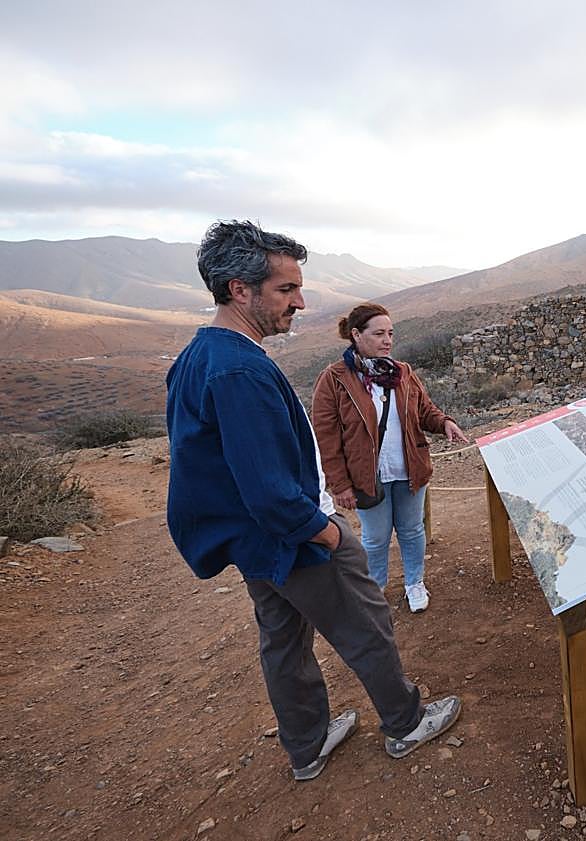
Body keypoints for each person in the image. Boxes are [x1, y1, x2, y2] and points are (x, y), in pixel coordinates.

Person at [165, 220, 460, 782]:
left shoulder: (198, 356)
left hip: (252, 541)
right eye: (286, 289)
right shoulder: (239, 370)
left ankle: (308, 744)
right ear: (239, 290)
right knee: (365, 620)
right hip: (289, 534)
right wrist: (324, 531)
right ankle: (405, 722)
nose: (300, 302)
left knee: (284, 639)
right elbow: (267, 487)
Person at [311, 303, 469, 611]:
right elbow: (326, 438)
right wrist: (339, 484)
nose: (388, 340)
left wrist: (444, 422)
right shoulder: (334, 379)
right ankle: (375, 589)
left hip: (409, 468)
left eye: (391, 333)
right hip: (367, 475)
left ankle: (414, 583)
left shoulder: (403, 373)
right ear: (356, 335)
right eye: (379, 333)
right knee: (375, 537)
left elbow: (425, 411)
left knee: (412, 530)